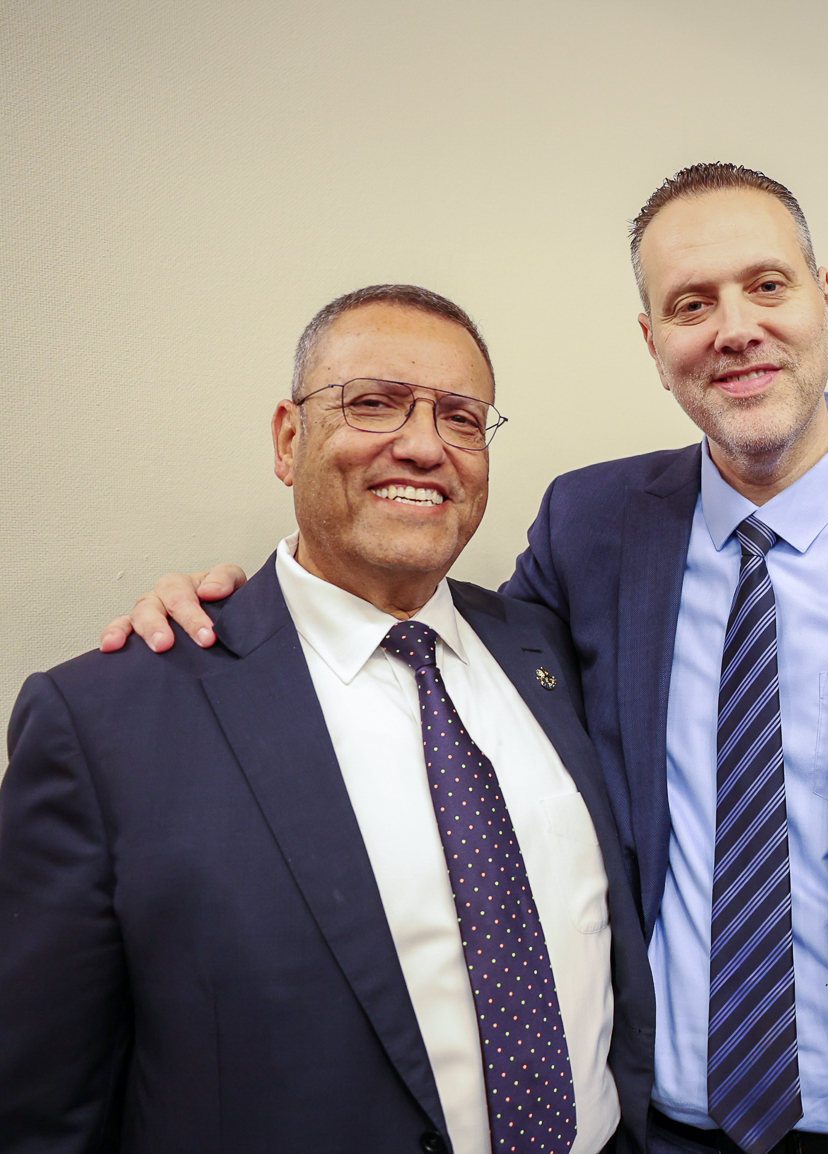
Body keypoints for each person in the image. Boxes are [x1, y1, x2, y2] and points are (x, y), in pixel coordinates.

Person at [99, 165, 828, 1154]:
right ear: (654, 343)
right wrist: (251, 615)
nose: (734, 328)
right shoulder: (592, 526)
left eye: (767, 285)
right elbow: (445, 648)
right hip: (666, 1122)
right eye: (690, 303)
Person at [2, 285, 654, 1153]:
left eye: (461, 418)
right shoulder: (106, 721)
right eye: (374, 403)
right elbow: (41, 1106)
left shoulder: (549, 652)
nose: (423, 445)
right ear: (288, 439)